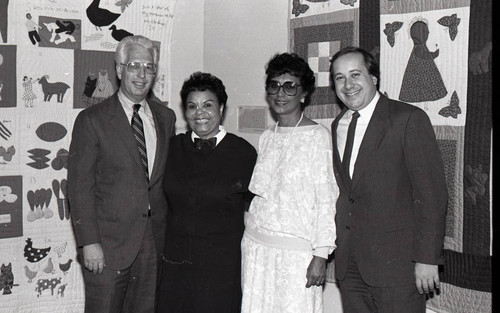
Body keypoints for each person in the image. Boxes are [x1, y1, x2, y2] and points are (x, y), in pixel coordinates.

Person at [329, 46, 448, 313]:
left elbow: (432, 195)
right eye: (339, 77)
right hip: (350, 267)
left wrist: (427, 259)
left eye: (355, 74)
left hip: (398, 267)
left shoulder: (407, 119)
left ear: (374, 78)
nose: (348, 85)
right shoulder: (339, 125)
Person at [67, 35, 176, 313]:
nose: (142, 74)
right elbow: (80, 187)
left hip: (153, 242)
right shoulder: (92, 120)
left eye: (149, 67)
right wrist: (89, 242)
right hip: (107, 245)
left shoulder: (166, 118)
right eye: (134, 66)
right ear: (118, 70)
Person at [241, 53, 338, 313]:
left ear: (304, 92)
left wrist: (321, 255)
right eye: (274, 85)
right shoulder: (266, 136)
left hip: (296, 255)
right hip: (257, 249)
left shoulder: (318, 137)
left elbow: (326, 200)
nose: (280, 94)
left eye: (289, 86)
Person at [156, 72, 257, 313]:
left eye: (208, 105)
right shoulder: (172, 148)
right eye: (192, 106)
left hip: (221, 266)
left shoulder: (243, 153)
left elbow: (257, 209)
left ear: (221, 108)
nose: (199, 113)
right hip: (176, 262)